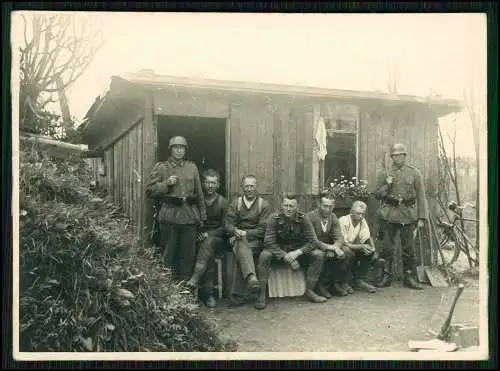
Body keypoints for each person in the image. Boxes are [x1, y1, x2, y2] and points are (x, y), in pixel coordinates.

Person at [145, 136, 206, 282]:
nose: (179, 150)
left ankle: (185, 289)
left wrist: (202, 216)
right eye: (175, 147)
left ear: (185, 150)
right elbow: (149, 191)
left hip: (189, 217)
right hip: (170, 217)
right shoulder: (161, 168)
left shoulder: (192, 167)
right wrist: (166, 183)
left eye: (182, 147)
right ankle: (167, 291)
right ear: (170, 149)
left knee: (188, 255)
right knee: (168, 254)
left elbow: (199, 193)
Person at [256, 194, 327, 310]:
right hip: (278, 254)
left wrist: (297, 253)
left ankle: (310, 291)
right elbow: (268, 242)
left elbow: (314, 242)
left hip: (297, 253)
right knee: (264, 255)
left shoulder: (303, 219)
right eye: (286, 205)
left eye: (291, 206)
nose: (288, 209)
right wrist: (286, 257)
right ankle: (261, 295)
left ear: (297, 207)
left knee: (318, 254)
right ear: (281, 206)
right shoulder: (274, 218)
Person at [374, 143, 427, 290]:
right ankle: (386, 275)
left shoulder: (414, 173)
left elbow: (421, 196)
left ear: (405, 156)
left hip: (408, 215)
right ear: (391, 157)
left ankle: (409, 277)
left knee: (408, 249)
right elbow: (377, 194)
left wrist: (421, 218)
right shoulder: (385, 173)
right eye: (394, 155)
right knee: (387, 248)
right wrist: (387, 184)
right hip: (389, 214)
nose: (396, 158)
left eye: (399, 155)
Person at [224, 175, 272, 307]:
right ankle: (251, 278)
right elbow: (228, 224)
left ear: (256, 187)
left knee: (241, 249)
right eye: (247, 186)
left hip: (256, 242)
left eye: (252, 186)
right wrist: (235, 231)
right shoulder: (236, 203)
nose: (249, 189)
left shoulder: (263, 204)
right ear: (242, 187)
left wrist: (247, 233)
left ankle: (237, 296)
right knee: (240, 244)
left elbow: (264, 229)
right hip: (238, 239)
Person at [185, 169, 230, 308]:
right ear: (203, 184)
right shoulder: (198, 201)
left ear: (218, 185)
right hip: (200, 239)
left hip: (218, 239)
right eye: (207, 182)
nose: (210, 186)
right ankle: (207, 294)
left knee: (208, 243)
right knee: (205, 251)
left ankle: (195, 281)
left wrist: (208, 234)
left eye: (213, 183)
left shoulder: (223, 202)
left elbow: (226, 228)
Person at [307, 193, 352, 298]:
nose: (327, 209)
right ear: (319, 205)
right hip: (310, 248)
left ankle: (335, 283)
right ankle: (318, 286)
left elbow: (339, 237)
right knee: (319, 254)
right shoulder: (310, 217)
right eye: (324, 206)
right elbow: (313, 241)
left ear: (333, 207)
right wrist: (332, 248)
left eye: (330, 206)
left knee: (347, 252)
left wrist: (335, 247)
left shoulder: (333, 217)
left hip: (328, 248)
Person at [338, 200, 385, 293]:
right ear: (351, 212)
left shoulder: (362, 221)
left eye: (363, 214)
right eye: (358, 213)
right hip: (340, 248)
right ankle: (342, 282)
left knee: (368, 251)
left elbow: (367, 236)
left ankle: (358, 280)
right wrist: (362, 246)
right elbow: (343, 243)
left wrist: (372, 248)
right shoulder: (343, 221)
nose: (361, 216)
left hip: (352, 247)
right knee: (348, 252)